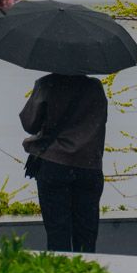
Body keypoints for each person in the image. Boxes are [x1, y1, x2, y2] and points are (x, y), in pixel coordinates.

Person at [20, 73, 107, 253]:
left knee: (57, 232)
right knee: (86, 234)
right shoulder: (95, 88)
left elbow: (30, 124)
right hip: (88, 166)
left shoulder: (46, 84)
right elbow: (100, 120)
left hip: (54, 164)